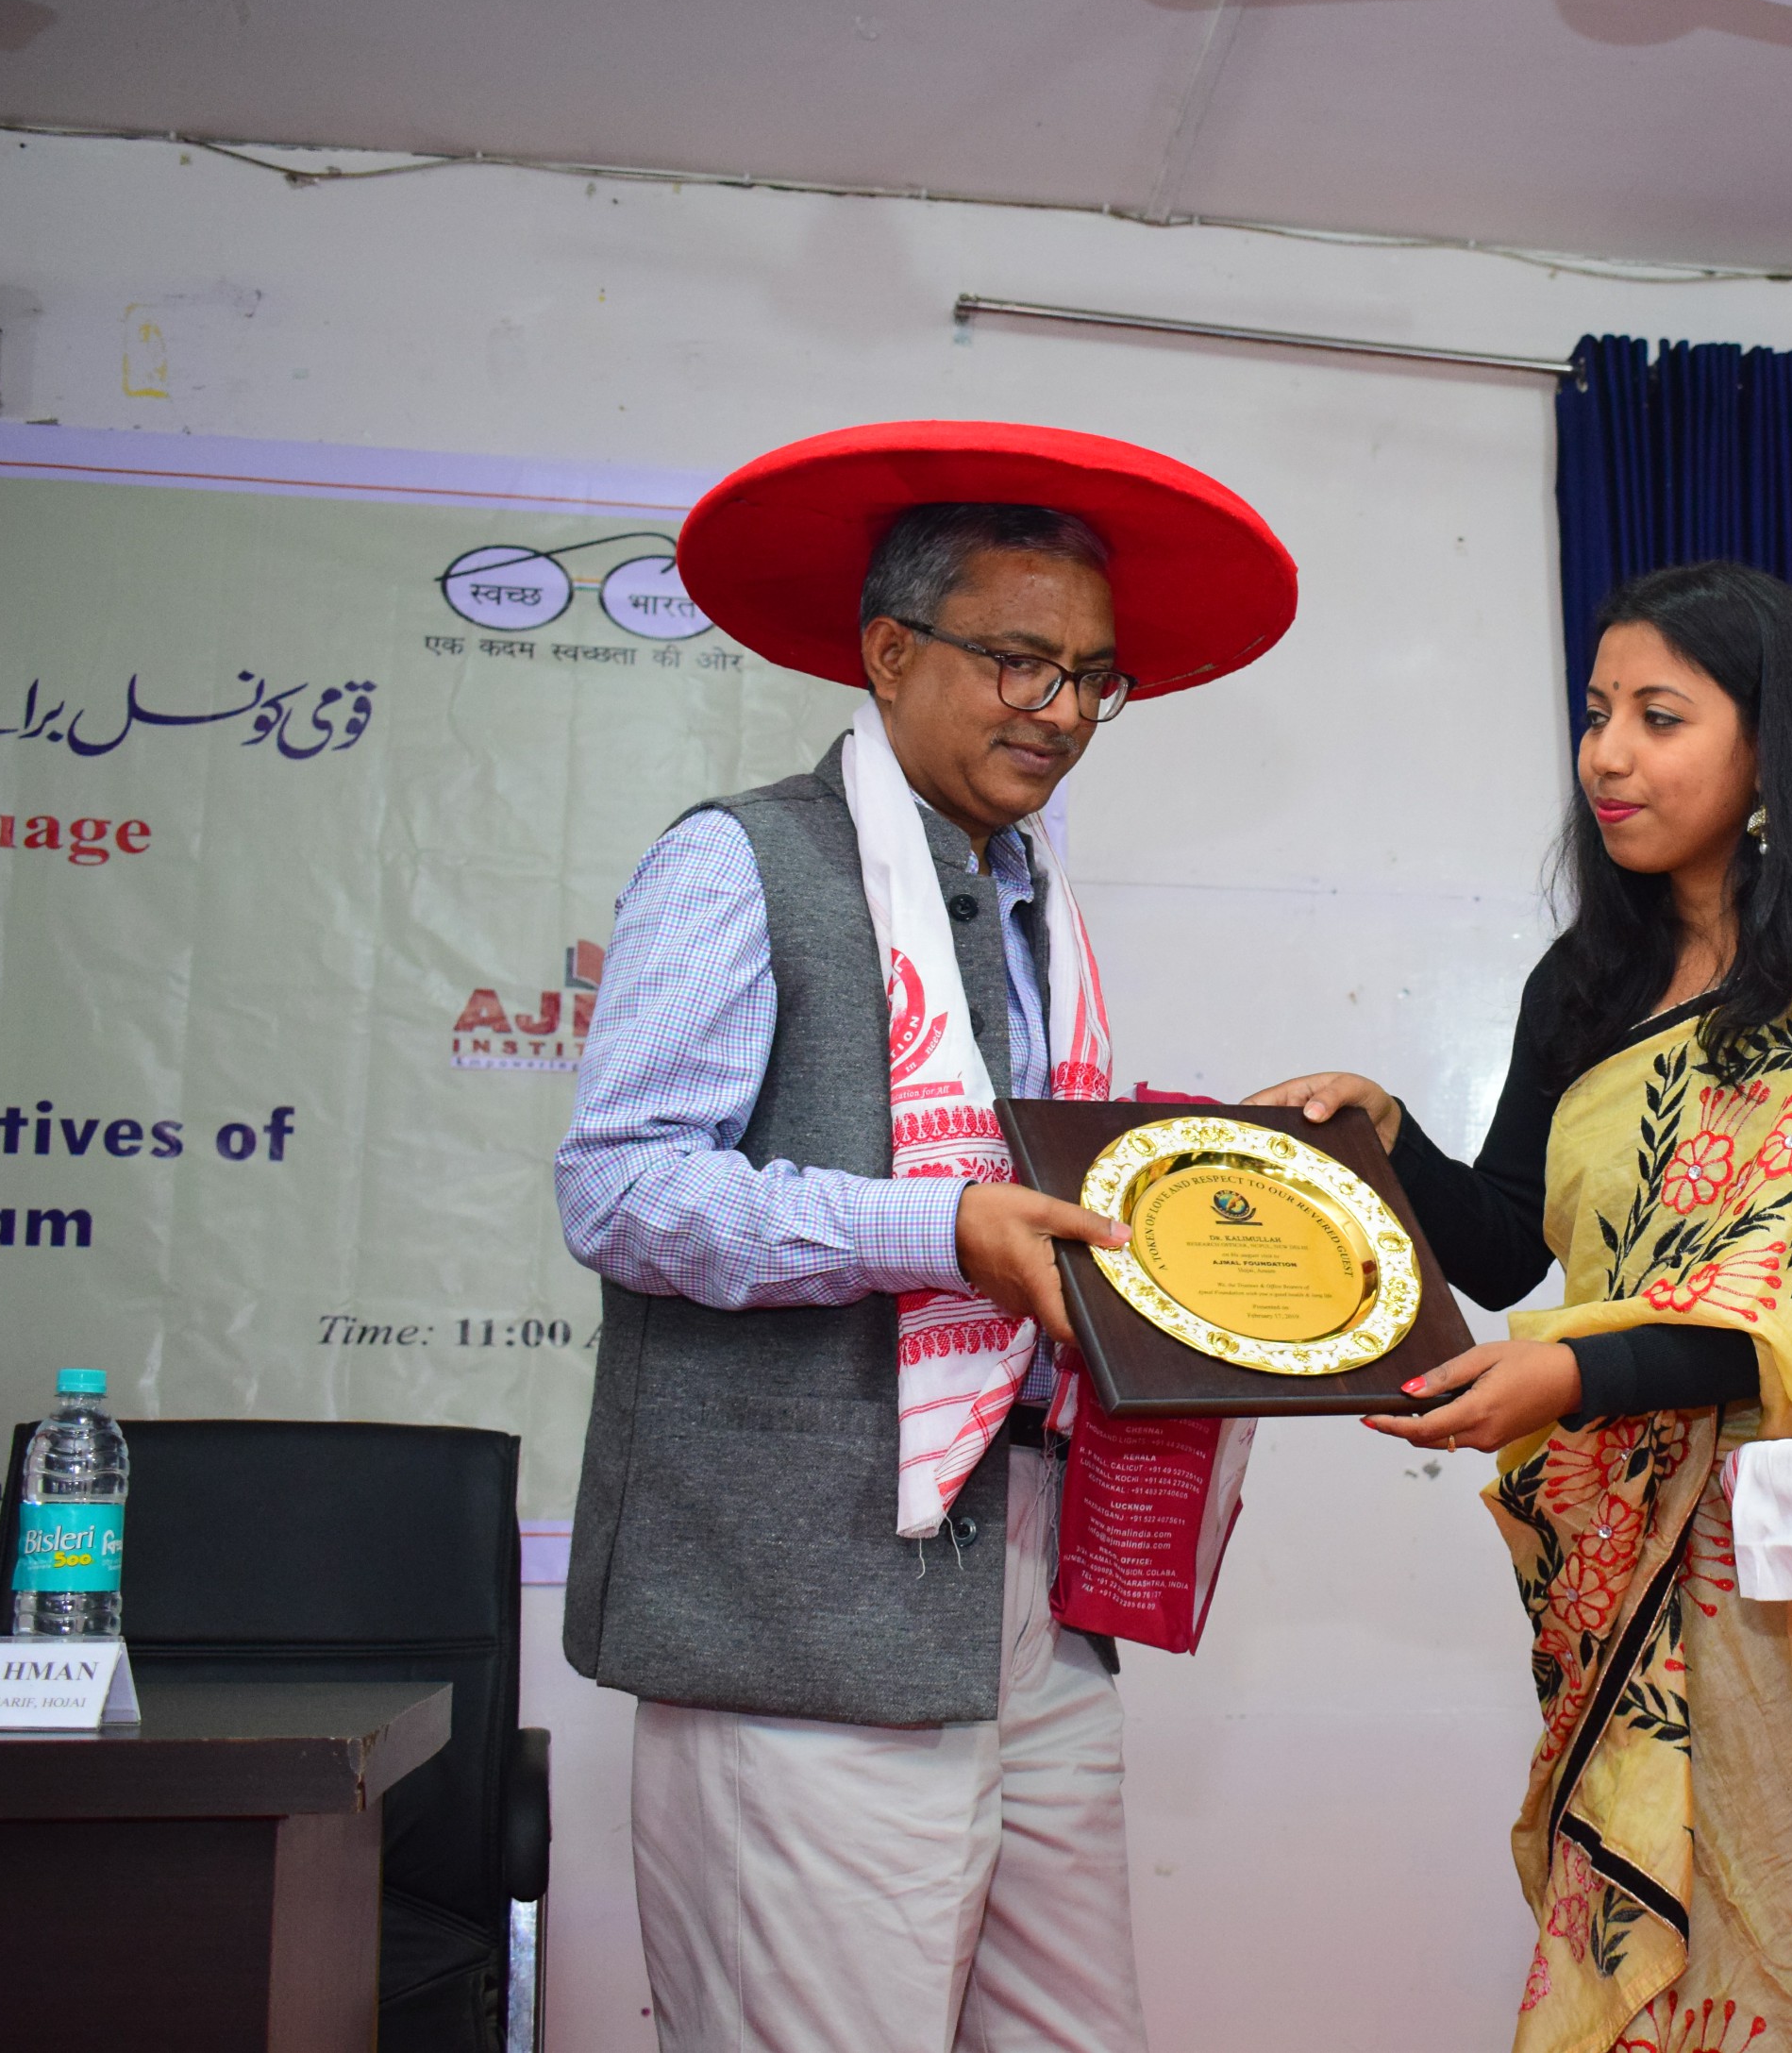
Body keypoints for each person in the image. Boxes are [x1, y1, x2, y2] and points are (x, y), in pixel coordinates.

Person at [1249, 559, 1792, 2053]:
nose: (1608, 753)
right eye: (1597, 712)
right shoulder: (1584, 982)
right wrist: (1394, 1137)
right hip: (1631, 1556)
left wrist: (1567, 1381)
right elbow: (1510, 1251)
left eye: (1660, 716)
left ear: (1772, 745)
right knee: (1678, 1949)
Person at [554, 421, 1296, 2053]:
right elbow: (620, 1185)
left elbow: (1037, 1195)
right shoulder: (742, 860)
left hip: (1030, 1586)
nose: (1062, 710)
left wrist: (1255, 1188)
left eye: (1091, 677)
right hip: (802, 1607)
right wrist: (940, 1230)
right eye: (1020, 660)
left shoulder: (1039, 905)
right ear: (890, 654)